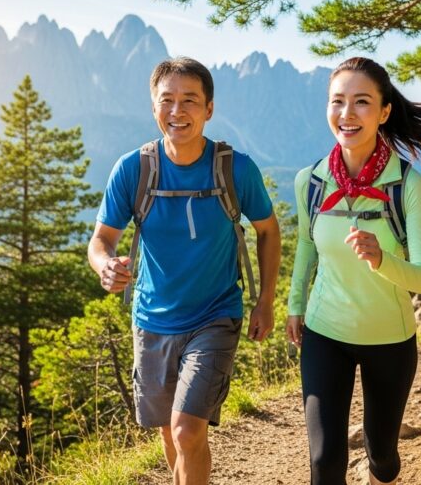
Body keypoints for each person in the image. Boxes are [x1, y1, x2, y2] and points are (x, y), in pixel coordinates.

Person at [88, 57, 281, 485]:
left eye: (190, 100)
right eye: (167, 100)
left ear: (209, 108)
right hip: (152, 320)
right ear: (153, 107)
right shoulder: (133, 169)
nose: (178, 111)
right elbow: (101, 240)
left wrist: (264, 301)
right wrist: (106, 266)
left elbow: (268, 230)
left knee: (186, 430)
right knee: (169, 433)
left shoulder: (235, 169)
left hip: (215, 315)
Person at [287, 57, 421, 484]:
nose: (347, 113)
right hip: (324, 333)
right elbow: (306, 244)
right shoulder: (311, 181)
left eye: (361, 102)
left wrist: (381, 260)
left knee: (383, 456)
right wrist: (295, 304)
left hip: (389, 340)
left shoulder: (407, 185)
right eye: (337, 101)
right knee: (325, 462)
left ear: (384, 111)